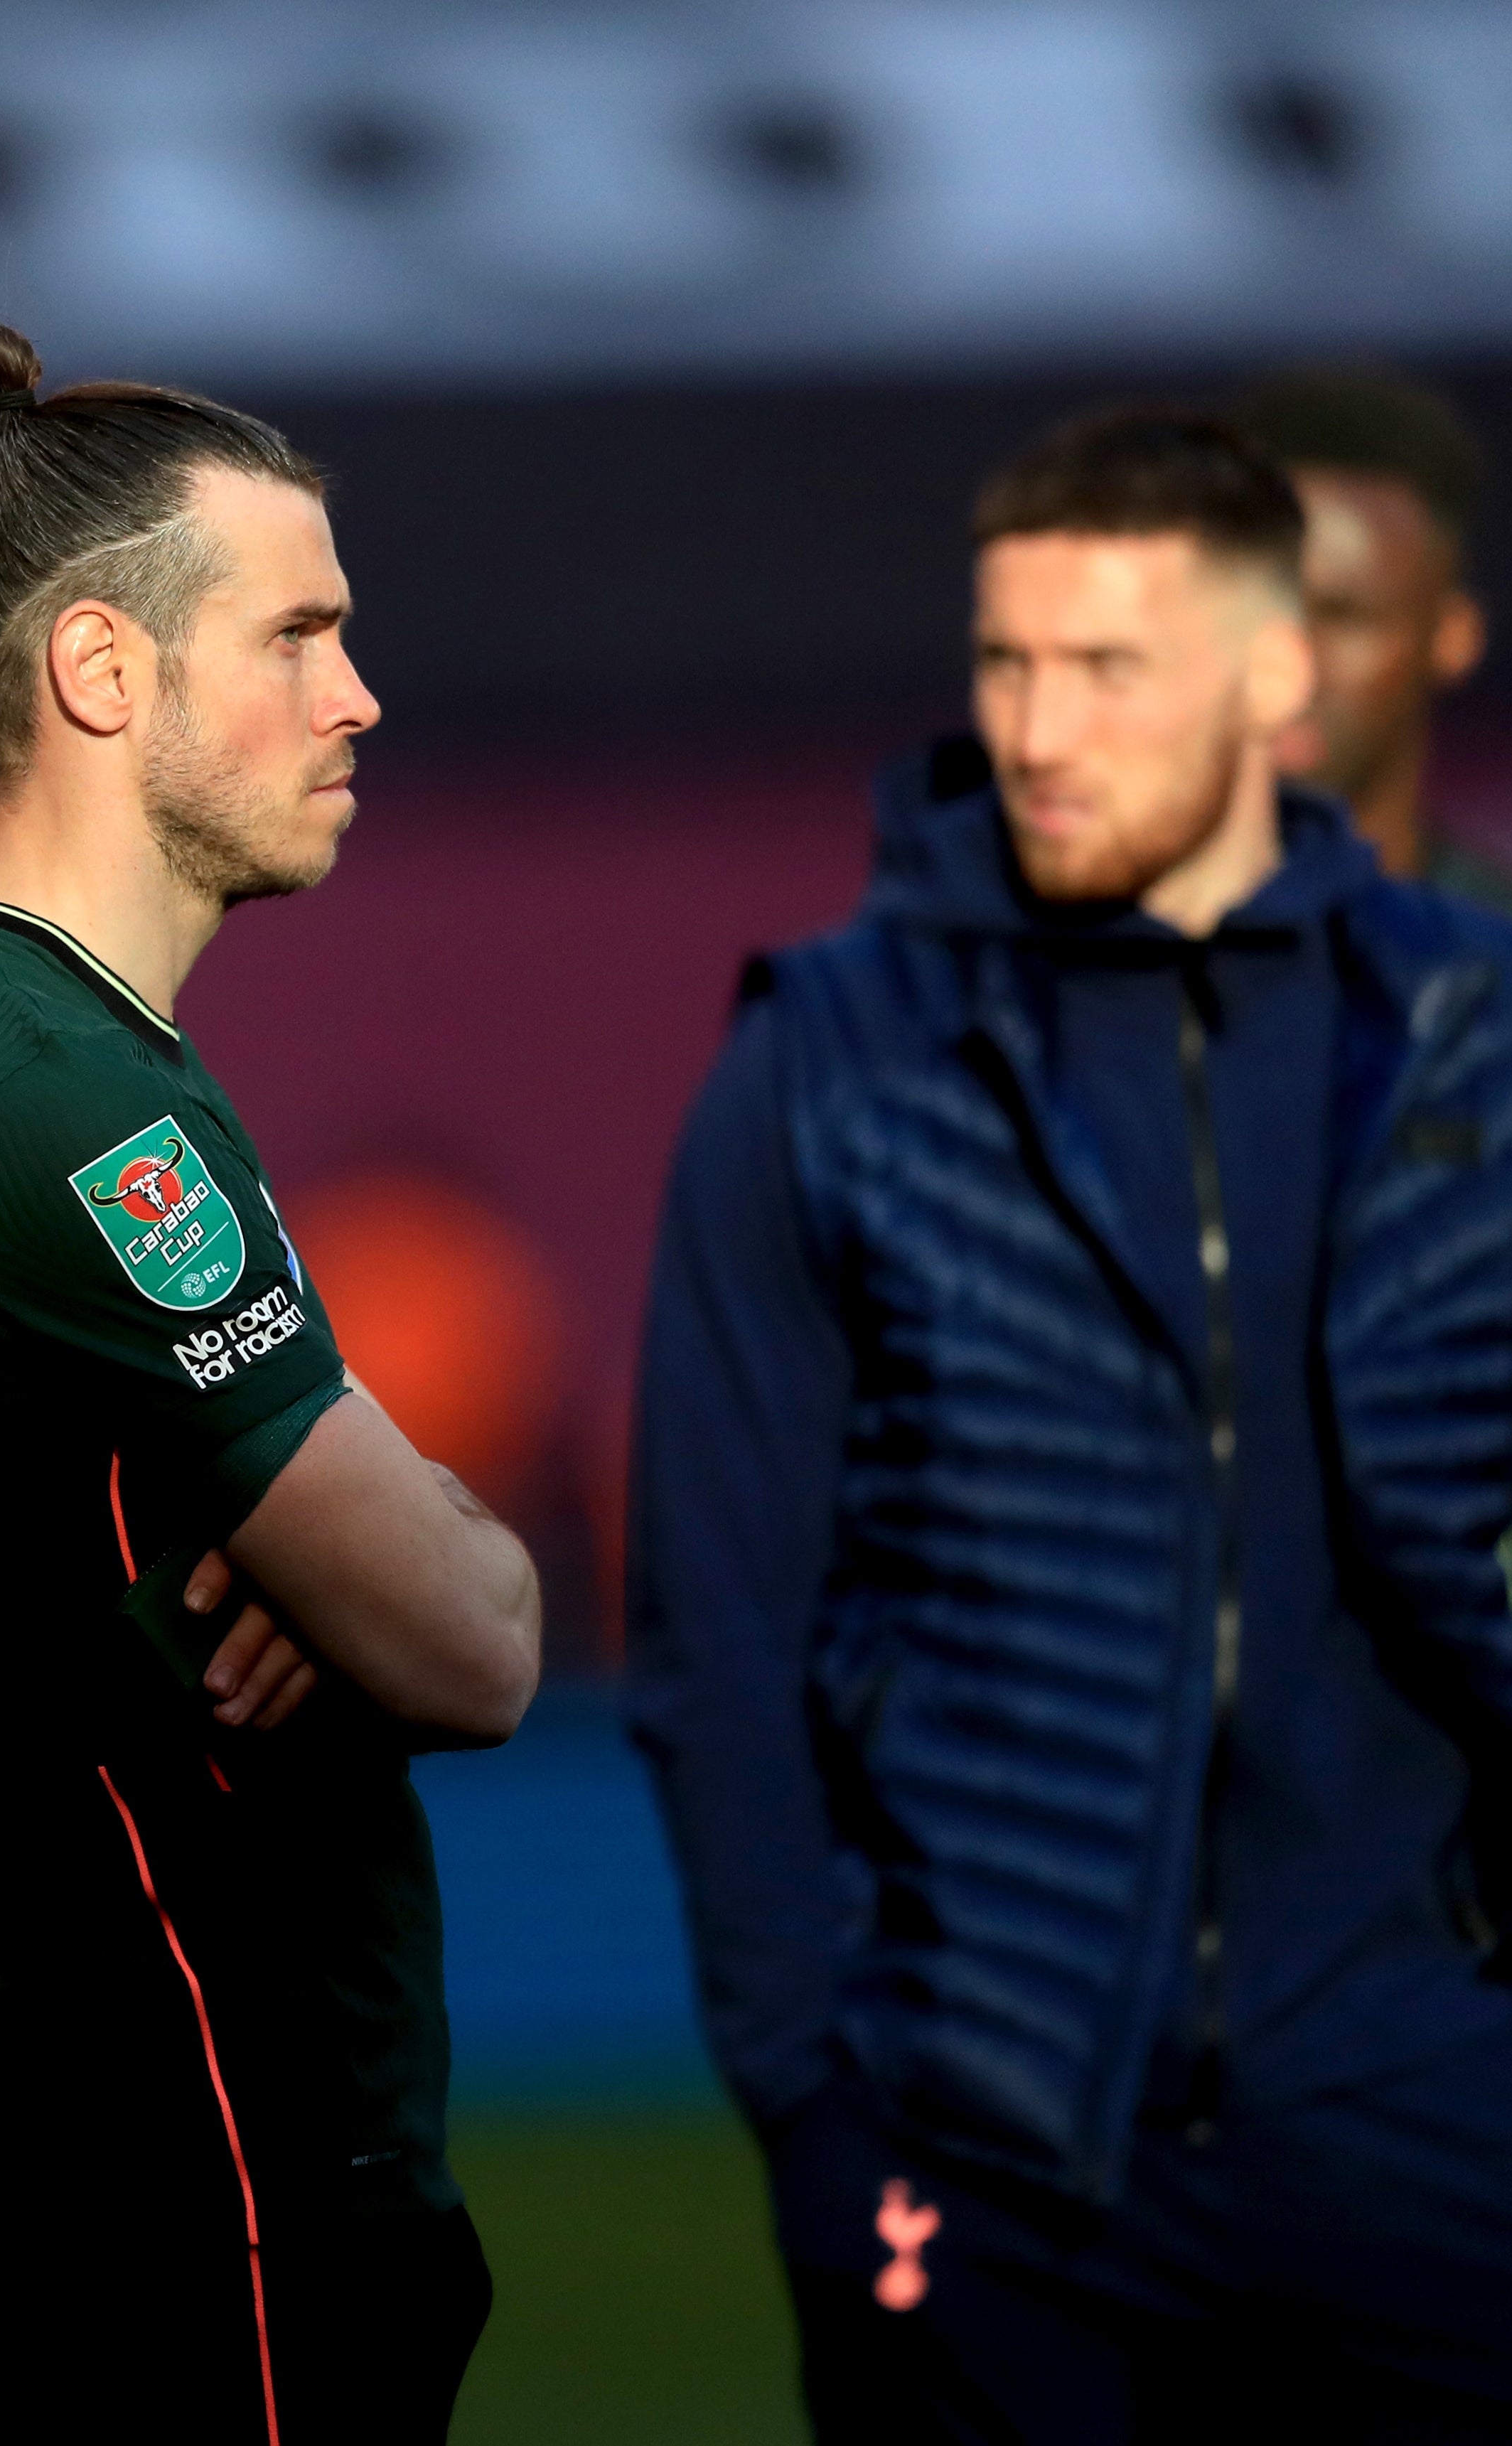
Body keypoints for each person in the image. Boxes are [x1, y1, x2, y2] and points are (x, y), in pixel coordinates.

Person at [631, 406, 1512, 2440]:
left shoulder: (1476, 1035)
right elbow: (718, 1643)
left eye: (1107, 668)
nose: (1037, 728)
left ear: (1273, 678)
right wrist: (815, 2128)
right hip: (993, 2157)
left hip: (1432, 2119)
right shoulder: (831, 1063)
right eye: (1007, 662)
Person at [0, 323, 541, 2443]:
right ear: (104, 672)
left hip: (138, 2165)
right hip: (188, 2174)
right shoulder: (59, 1102)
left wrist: (350, 1550)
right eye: (298, 633)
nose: (357, 695)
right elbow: (478, 1646)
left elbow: (361, 1585)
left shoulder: (30, 1044)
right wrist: (387, 1557)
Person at [1230, 365, 1498, 908]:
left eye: (1341, 616)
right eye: (1254, 610)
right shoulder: (1058, 964)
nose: (1289, 663)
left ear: (1452, 637)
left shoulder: (1496, 957)